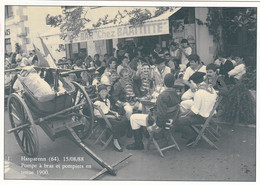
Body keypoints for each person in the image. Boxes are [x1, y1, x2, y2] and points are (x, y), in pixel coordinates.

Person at [126, 73, 180, 150]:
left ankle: (138, 144)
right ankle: (146, 134)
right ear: (174, 82)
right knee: (149, 111)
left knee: (133, 117)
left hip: (160, 122)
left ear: (164, 82)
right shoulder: (176, 93)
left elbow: (161, 115)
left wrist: (154, 127)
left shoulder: (162, 96)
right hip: (170, 121)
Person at [174, 71, 218, 146]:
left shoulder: (199, 93)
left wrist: (183, 115)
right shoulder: (211, 89)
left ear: (194, 83)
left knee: (177, 120)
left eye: (191, 83)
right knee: (182, 113)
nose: (190, 85)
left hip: (201, 117)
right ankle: (191, 133)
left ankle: (193, 135)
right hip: (208, 115)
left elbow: (194, 112)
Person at [93, 84, 128, 152]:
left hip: (107, 115)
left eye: (105, 91)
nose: (103, 93)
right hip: (102, 119)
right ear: (99, 93)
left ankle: (117, 138)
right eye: (102, 91)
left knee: (124, 119)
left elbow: (107, 110)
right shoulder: (97, 102)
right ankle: (115, 141)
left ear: (107, 92)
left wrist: (114, 113)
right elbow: (97, 115)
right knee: (117, 123)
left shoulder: (107, 100)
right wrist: (110, 116)